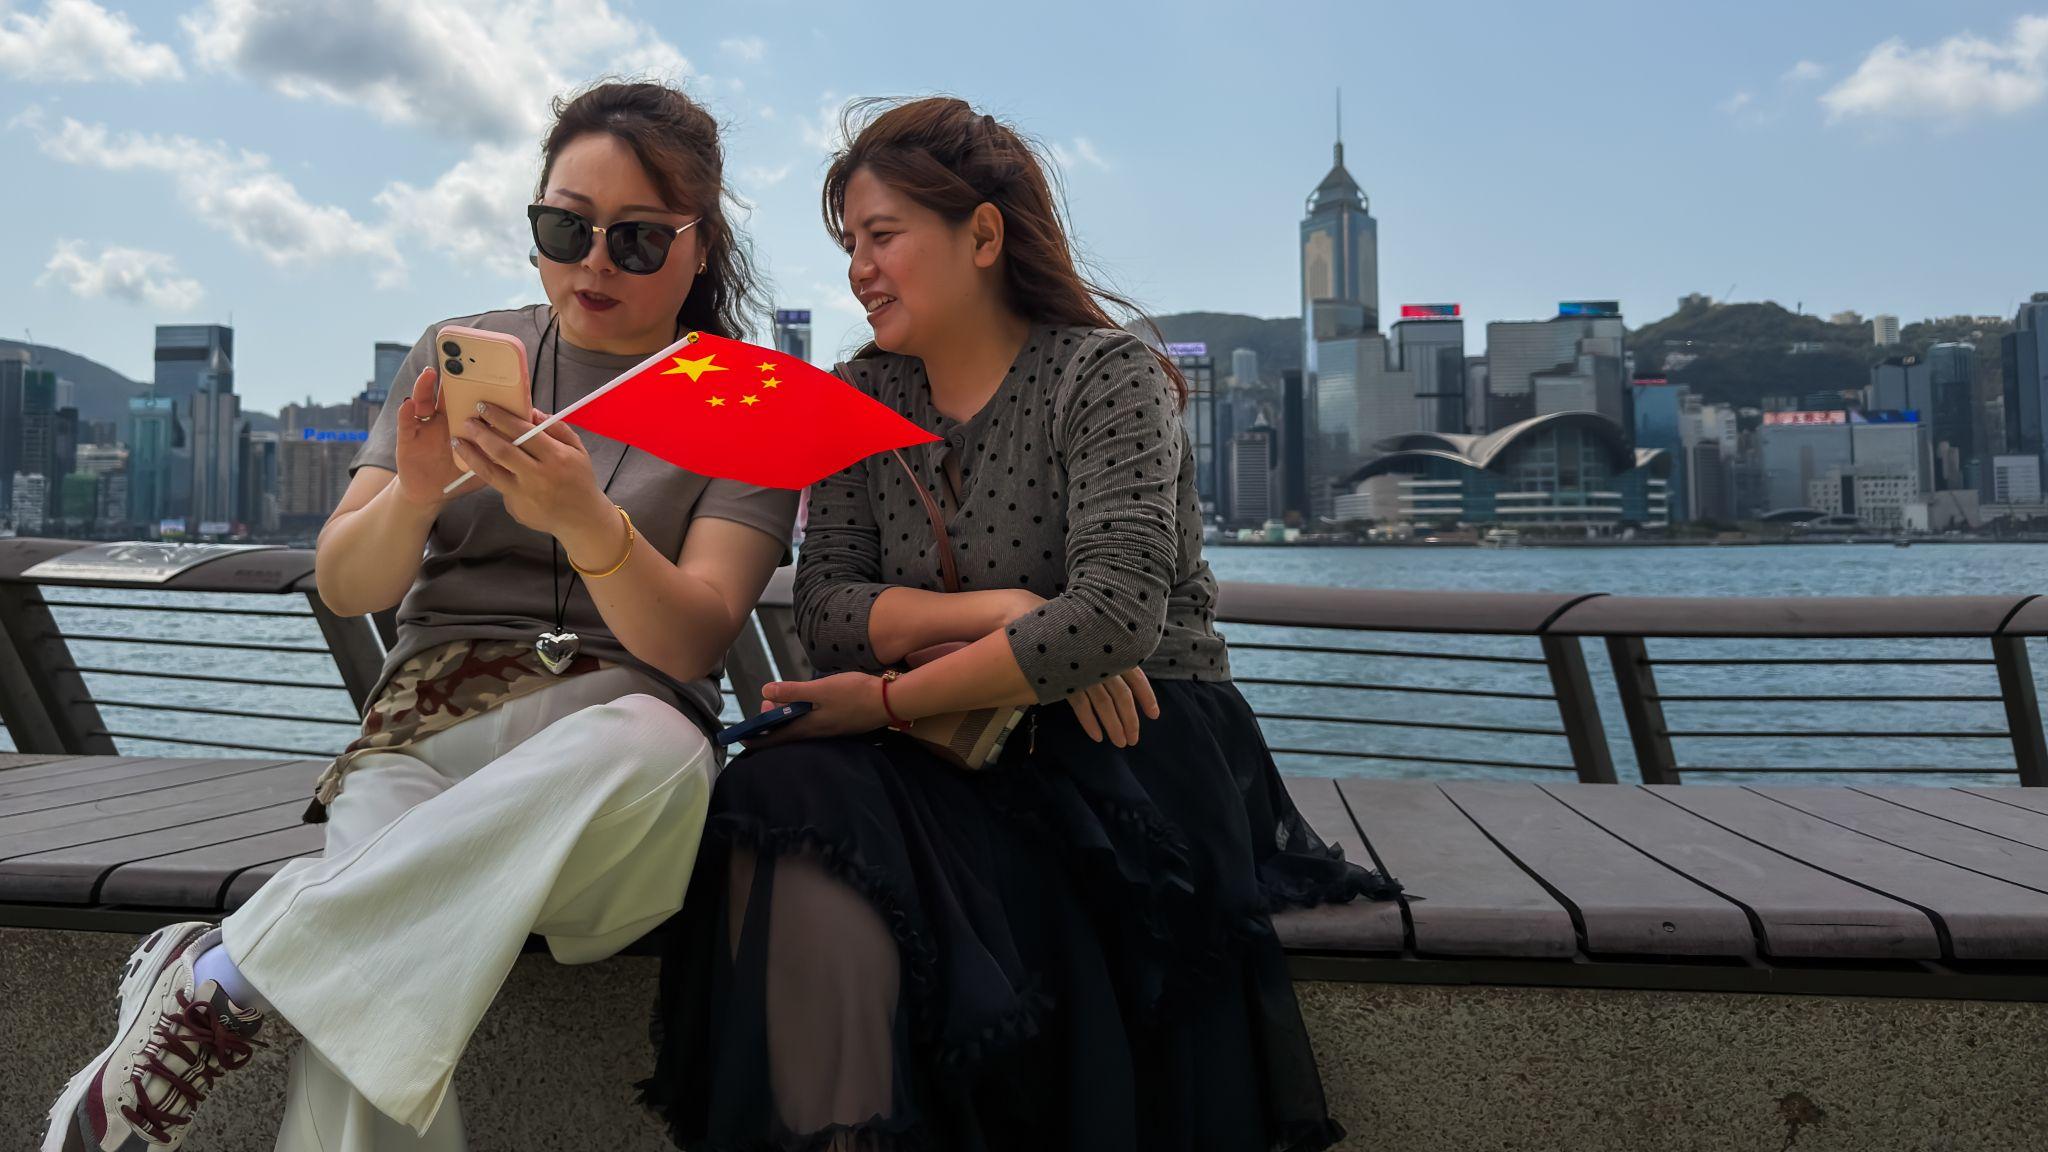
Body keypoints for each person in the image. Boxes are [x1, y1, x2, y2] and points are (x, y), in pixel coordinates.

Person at [44, 81, 797, 1152]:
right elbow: (348, 584)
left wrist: (587, 521)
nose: (593, 264)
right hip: (429, 730)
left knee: (650, 746)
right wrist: (415, 489)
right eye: (565, 228)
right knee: (378, 971)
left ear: (699, 244)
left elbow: (692, 638)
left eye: (635, 240)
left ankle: (231, 969)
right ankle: (249, 971)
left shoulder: (747, 398)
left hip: (611, 782)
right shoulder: (461, 349)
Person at [639, 96, 1398, 1152]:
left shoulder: (1103, 374)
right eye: (850, 243)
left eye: (882, 236)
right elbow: (827, 612)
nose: (859, 269)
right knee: (774, 790)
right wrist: (1011, 613)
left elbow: (1113, 619)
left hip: (1126, 746)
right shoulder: (861, 395)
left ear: (984, 235)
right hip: (944, 743)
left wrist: (891, 694)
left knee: (980, 883)